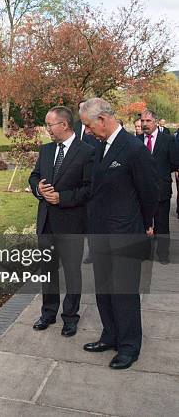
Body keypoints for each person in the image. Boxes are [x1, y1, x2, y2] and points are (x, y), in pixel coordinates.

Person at [79, 98, 159, 370]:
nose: (87, 131)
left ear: (102, 119)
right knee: (104, 289)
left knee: (124, 292)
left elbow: (150, 192)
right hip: (100, 232)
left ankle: (129, 346)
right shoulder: (100, 146)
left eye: (88, 125)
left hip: (125, 233)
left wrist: (145, 223)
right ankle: (110, 335)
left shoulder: (133, 149)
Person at [29, 106, 95, 337]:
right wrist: (38, 188)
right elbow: (34, 175)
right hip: (46, 221)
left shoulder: (87, 152)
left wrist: (62, 197)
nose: (47, 129)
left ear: (64, 125)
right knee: (48, 270)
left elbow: (89, 189)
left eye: (50, 125)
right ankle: (48, 313)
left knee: (72, 272)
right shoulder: (46, 150)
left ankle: (70, 317)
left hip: (71, 224)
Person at [138, 110, 179, 263]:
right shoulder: (137, 140)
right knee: (143, 223)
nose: (144, 124)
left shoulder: (167, 140)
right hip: (141, 191)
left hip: (161, 189)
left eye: (148, 121)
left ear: (155, 122)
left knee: (162, 224)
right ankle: (144, 253)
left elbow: (175, 161)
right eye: (142, 121)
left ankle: (163, 254)